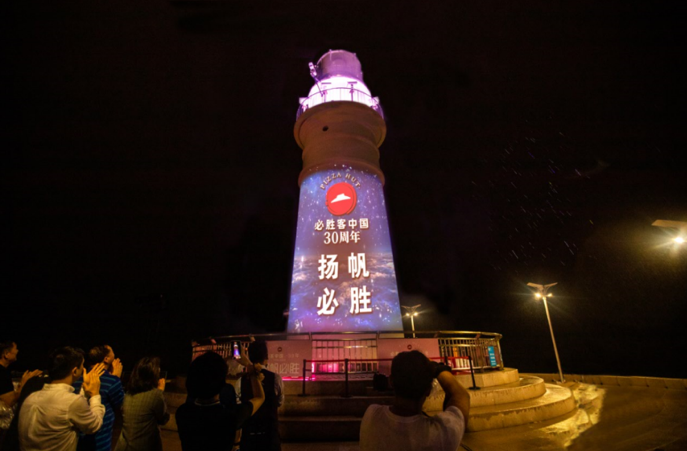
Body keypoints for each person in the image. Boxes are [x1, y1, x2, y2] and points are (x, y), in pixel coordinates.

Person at [359, 350, 471, 451]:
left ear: (391, 381)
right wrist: (438, 369)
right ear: (428, 390)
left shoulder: (371, 415)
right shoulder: (442, 435)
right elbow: (461, 395)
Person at [18, 347, 106, 451]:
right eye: (82, 366)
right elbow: (94, 425)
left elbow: (70, 407)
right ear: (75, 371)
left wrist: (83, 389)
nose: (83, 369)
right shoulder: (72, 402)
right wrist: (95, 395)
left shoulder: (31, 398)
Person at [176, 351, 265, 451]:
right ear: (222, 385)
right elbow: (259, 397)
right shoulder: (230, 417)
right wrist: (251, 369)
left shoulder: (183, 413)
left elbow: (206, 373)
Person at [73, 345, 125, 451]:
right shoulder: (112, 381)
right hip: (100, 442)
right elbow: (121, 404)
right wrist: (116, 378)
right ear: (106, 359)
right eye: (112, 353)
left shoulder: (77, 378)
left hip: (78, 441)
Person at [114, 357, 169, 451]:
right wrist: (160, 391)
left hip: (124, 446)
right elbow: (163, 419)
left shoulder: (128, 394)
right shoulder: (155, 395)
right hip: (145, 446)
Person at [239, 341, 283, 451]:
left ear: (249, 356)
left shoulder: (241, 380)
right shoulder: (276, 378)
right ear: (266, 356)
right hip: (270, 436)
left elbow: (240, 406)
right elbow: (279, 402)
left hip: (249, 437)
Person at [0, 340, 42, 447]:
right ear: (6, 354)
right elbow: (8, 402)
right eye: (15, 349)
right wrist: (25, 382)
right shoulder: (2, 373)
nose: (17, 351)